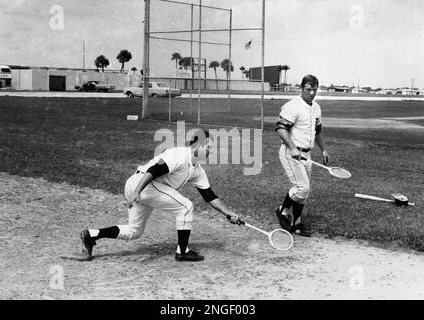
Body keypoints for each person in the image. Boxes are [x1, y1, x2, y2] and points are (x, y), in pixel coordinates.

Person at [80, 129, 240, 261]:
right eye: (208, 147)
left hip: (144, 189)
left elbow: (210, 196)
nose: (210, 151)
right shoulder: (178, 155)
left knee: (134, 231)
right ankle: (182, 252)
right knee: (186, 207)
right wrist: (137, 191)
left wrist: (229, 213)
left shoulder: (197, 170)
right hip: (142, 184)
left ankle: (91, 235)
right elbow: (155, 170)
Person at [274, 74, 329, 237]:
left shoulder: (316, 108)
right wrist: (292, 148)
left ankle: (296, 223)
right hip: (291, 152)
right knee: (302, 188)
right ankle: (282, 210)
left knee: (304, 192)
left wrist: (323, 150)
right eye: (308, 89)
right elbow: (280, 128)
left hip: (307, 154)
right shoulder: (292, 106)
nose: (312, 93)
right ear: (301, 88)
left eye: (314, 89)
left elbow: (317, 131)